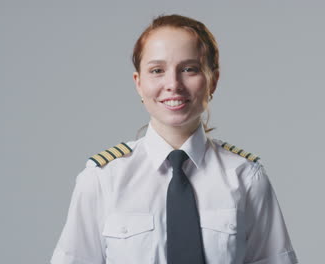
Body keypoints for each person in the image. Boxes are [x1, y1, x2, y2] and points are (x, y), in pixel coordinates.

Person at [50, 14, 298, 264]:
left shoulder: (245, 177)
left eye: (189, 69)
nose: (173, 84)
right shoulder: (102, 179)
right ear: (138, 83)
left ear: (213, 80)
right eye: (157, 70)